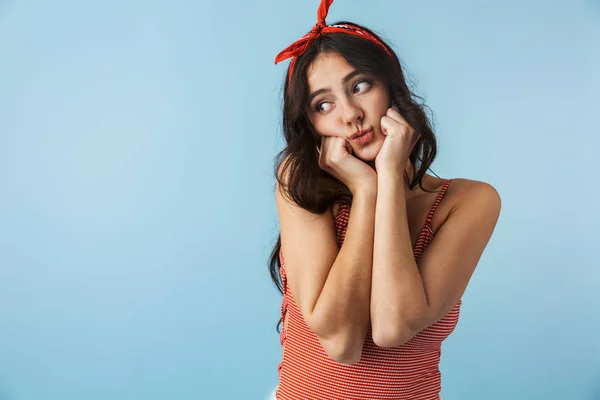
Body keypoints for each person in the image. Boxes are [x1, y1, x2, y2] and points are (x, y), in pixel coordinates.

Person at [267, 1, 501, 399]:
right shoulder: (301, 180)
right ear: (311, 124)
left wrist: (389, 178)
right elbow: (341, 343)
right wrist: (366, 192)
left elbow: (394, 326)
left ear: (392, 88)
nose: (350, 115)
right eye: (323, 105)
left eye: (360, 86)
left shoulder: (469, 201)